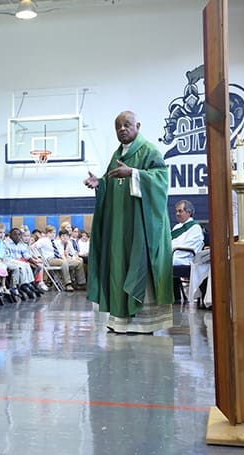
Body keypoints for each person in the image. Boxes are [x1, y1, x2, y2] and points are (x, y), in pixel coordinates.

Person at [83, 110, 173, 334]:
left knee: (139, 265)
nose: (122, 129)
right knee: (119, 266)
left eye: (127, 124)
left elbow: (161, 180)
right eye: (118, 126)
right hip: (119, 227)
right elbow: (111, 182)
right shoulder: (116, 155)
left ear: (138, 126)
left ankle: (145, 323)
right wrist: (100, 184)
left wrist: (133, 173)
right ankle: (120, 321)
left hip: (141, 225)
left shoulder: (149, 150)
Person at [171, 200, 205, 302]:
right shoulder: (177, 227)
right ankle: (173, 295)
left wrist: (170, 250)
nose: (177, 214)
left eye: (180, 211)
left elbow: (189, 246)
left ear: (189, 212)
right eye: (176, 211)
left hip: (186, 258)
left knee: (163, 262)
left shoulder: (195, 228)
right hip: (174, 254)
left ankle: (174, 296)